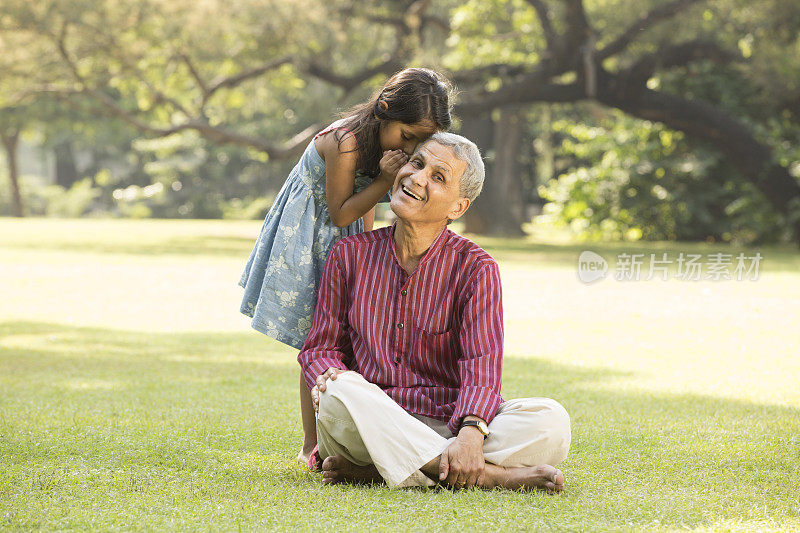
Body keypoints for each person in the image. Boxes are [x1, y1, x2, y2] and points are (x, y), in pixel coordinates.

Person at [298, 132, 572, 491]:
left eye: (438, 176)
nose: (417, 177)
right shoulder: (349, 255)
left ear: (457, 207)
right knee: (339, 391)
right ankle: (492, 477)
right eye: (417, 163)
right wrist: (327, 375)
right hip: (369, 418)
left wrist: (472, 434)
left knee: (550, 420)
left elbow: (482, 364)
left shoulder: (476, 268)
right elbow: (320, 350)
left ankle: (382, 471)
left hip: (448, 423)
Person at [239, 68, 453, 466]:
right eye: (407, 137)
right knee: (317, 342)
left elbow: (364, 209)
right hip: (311, 237)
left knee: (353, 335)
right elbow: (339, 212)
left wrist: (367, 251)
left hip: (347, 236)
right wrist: (387, 179)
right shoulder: (346, 141)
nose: (410, 149)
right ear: (384, 109)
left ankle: (359, 435)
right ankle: (310, 444)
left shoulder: (382, 148)